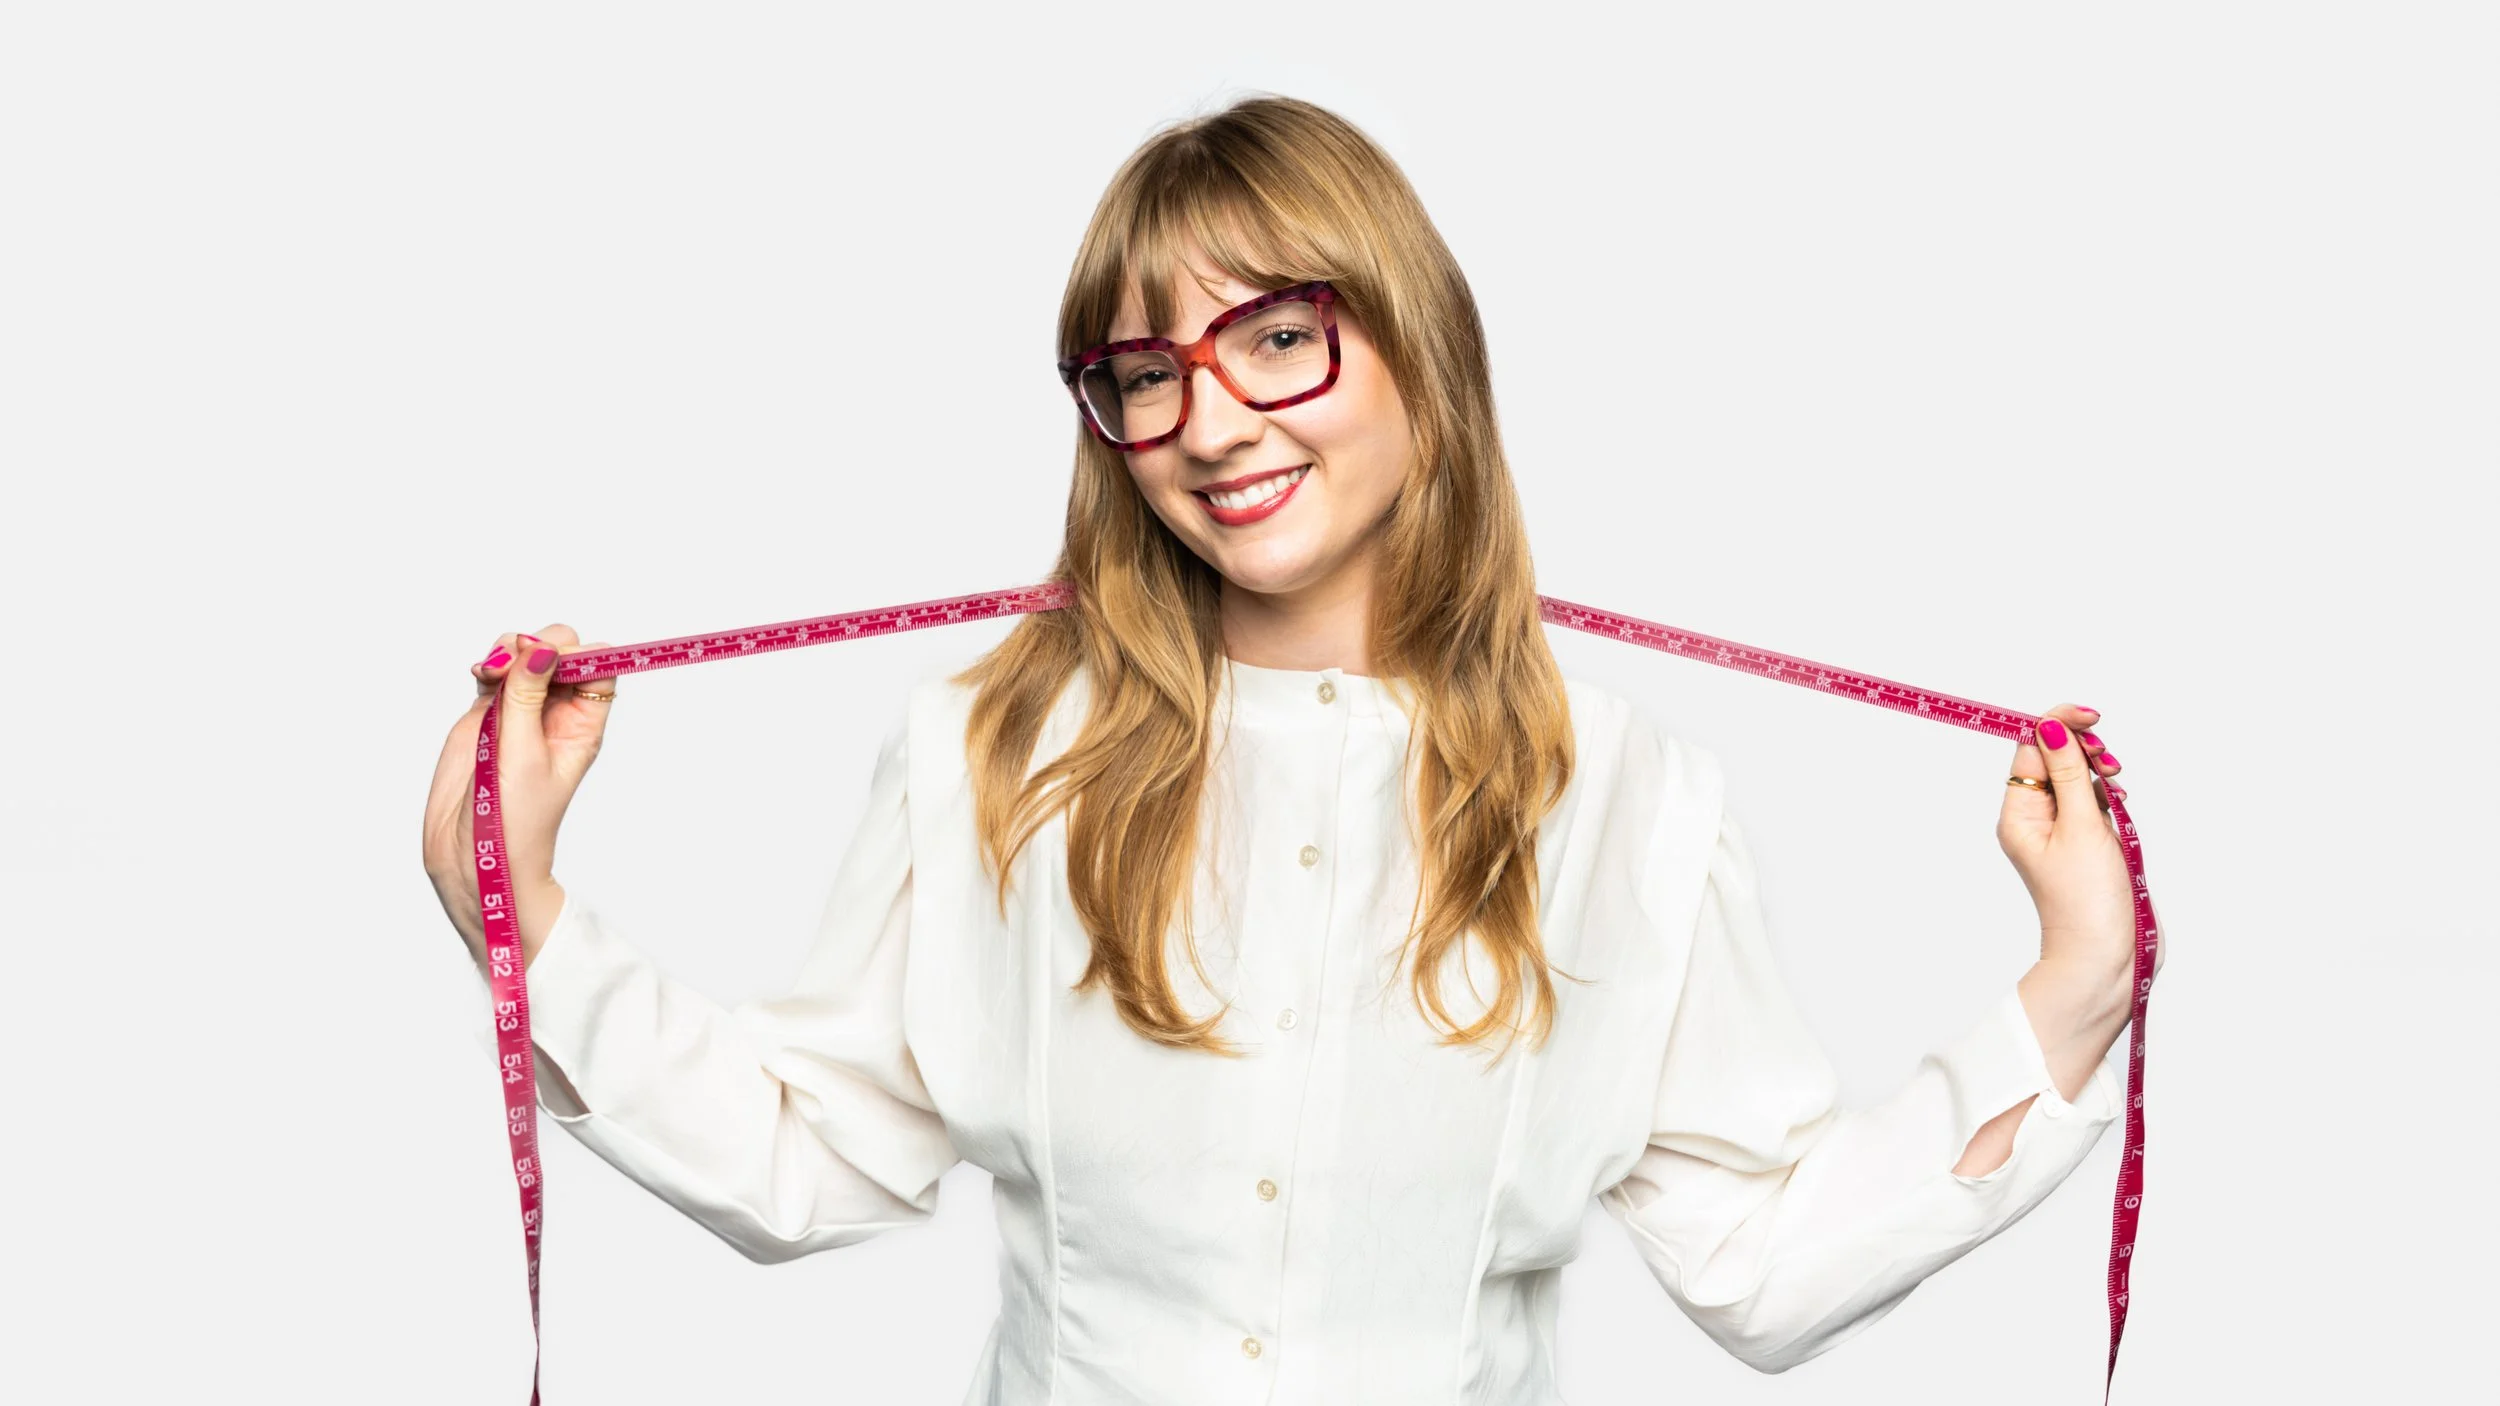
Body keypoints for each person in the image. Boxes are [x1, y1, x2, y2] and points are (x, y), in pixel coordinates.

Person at [421, 94, 2161, 1403]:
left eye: (1274, 336)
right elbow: (806, 1160)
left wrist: (2071, 990)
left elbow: (1764, 1260)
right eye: (1144, 371)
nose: (1212, 420)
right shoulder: (987, 753)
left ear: (1420, 343)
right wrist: (524, 909)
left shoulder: (1630, 796)